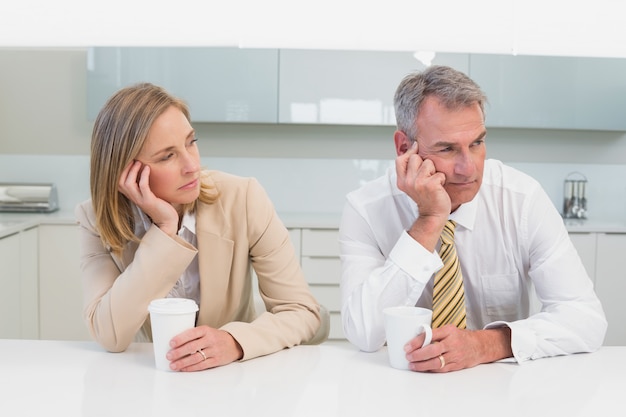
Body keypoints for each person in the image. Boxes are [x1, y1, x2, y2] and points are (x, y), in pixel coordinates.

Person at [339, 65, 607, 372]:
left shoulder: (521, 200)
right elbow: (363, 333)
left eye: (477, 143)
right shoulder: (366, 210)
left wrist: (485, 344)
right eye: (448, 149)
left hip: (501, 384)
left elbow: (585, 318)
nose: (469, 168)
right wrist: (429, 221)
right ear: (404, 147)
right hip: (401, 385)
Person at [76, 82, 325, 372]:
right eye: (167, 156)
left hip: (235, 376)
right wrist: (165, 230)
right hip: (156, 376)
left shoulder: (243, 198)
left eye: (191, 142)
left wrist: (234, 341)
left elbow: (301, 311)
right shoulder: (93, 218)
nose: (192, 165)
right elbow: (110, 335)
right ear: (126, 172)